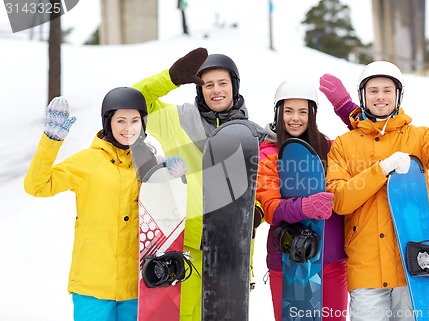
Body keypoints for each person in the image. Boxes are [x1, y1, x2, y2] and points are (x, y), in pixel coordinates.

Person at [325, 61, 429, 321]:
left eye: (387, 90)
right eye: (373, 90)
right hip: (366, 272)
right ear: (362, 96)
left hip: (411, 267)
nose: (380, 97)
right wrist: (380, 170)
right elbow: (340, 201)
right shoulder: (343, 145)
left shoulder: (417, 138)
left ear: (398, 95)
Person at [132, 48, 264, 320]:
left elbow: (262, 186)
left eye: (223, 83)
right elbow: (132, 102)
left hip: (232, 255)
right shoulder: (177, 120)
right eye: (208, 84)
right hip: (187, 252)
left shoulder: (252, 135)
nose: (216, 90)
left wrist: (257, 209)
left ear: (234, 86)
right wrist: (170, 78)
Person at [24, 87, 156, 321]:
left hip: (136, 287)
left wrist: (172, 176)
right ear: (108, 122)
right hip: (93, 287)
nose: (129, 128)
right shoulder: (88, 161)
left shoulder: (147, 163)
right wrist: (50, 142)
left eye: (135, 120)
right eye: (121, 120)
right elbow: (37, 186)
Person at [256, 78, 357, 321]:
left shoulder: (331, 148)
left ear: (312, 115)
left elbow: (366, 137)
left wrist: (346, 108)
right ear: (278, 113)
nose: (295, 118)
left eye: (303, 112)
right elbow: (270, 208)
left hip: (331, 261)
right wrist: (304, 207)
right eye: (288, 111)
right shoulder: (268, 154)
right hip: (288, 260)